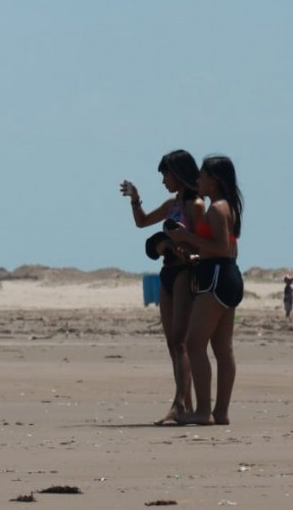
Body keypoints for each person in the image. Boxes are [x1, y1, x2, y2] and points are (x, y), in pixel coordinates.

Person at [122, 149, 204, 426]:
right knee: (172, 344)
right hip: (167, 272)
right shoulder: (173, 204)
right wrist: (135, 199)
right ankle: (185, 403)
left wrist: (181, 244)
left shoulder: (196, 205)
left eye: (166, 174)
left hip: (185, 272)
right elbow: (142, 222)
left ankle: (179, 404)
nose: (163, 180)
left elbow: (202, 240)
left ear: (178, 173)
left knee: (181, 341)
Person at [166, 155, 243, 426]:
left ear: (215, 180)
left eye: (202, 176)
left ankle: (203, 410)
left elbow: (221, 248)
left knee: (195, 344)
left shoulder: (216, 209)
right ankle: (220, 412)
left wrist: (187, 237)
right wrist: (193, 251)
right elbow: (224, 247)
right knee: (223, 348)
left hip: (217, 277)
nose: (197, 180)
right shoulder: (227, 207)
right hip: (227, 274)